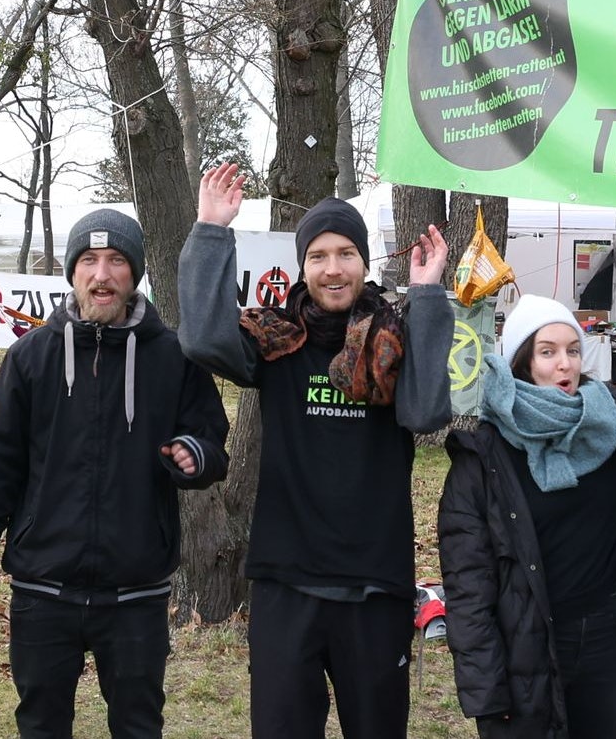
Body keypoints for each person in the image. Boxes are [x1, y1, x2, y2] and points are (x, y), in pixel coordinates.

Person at [176, 163, 452, 739]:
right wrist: (210, 230)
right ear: (302, 267)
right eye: (318, 255)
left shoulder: (394, 339)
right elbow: (202, 337)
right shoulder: (277, 340)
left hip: (375, 585)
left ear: (364, 263)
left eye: (346, 253)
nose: (332, 269)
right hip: (287, 583)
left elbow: (425, 412)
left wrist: (427, 295)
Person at [0, 209, 231, 739]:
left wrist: (196, 455)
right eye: (89, 261)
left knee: (139, 727)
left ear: (135, 273)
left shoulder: (174, 357)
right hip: (42, 592)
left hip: (136, 596)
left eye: (116, 261)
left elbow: (214, 445)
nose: (102, 275)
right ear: (72, 272)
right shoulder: (29, 358)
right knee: (41, 726)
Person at [438, 295, 616, 739]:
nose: (564, 364)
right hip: (527, 649)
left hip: (607, 637)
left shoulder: (613, 420)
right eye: (547, 352)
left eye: (573, 350)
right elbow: (469, 591)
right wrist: (486, 692)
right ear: (522, 361)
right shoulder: (483, 458)